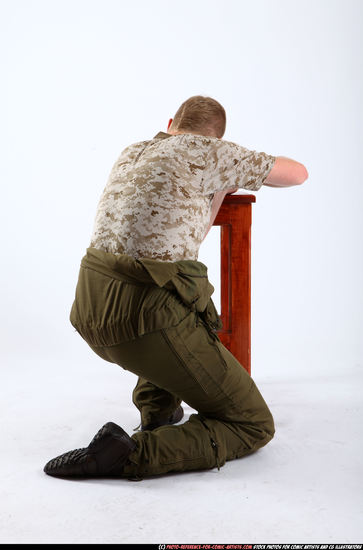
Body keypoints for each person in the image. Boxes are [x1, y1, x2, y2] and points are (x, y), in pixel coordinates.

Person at [43, 95, 308, 481]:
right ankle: (130, 455)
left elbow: (186, 235)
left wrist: (216, 189)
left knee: (174, 291)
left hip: (90, 309)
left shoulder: (134, 150)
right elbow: (298, 173)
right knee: (253, 424)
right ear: (216, 139)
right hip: (144, 320)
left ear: (170, 123)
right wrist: (229, 169)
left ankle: (159, 413)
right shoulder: (209, 152)